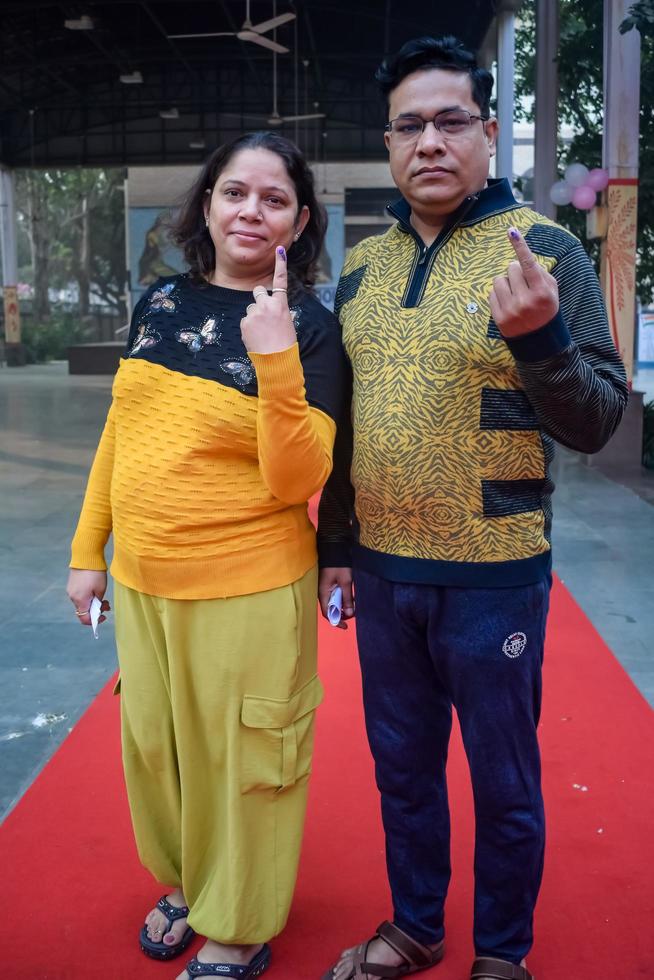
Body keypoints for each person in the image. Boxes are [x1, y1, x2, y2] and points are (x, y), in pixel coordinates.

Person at [317, 36, 627, 980]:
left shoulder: (548, 250)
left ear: (489, 132)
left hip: (494, 576)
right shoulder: (360, 272)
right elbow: (340, 424)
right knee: (402, 772)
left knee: (504, 783)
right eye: (410, 125)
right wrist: (336, 546)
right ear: (388, 142)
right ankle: (416, 927)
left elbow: (599, 418)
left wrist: (540, 345)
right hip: (382, 570)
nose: (431, 142)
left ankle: (502, 953)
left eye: (453, 121)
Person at [67, 130, 346, 980]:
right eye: (234, 192)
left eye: (272, 199)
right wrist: (88, 551)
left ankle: (242, 924)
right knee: (160, 750)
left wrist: (276, 364)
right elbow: (122, 431)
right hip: (145, 581)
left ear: (298, 222)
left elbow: (299, 475)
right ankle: (192, 882)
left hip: (251, 587)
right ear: (208, 205)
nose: (250, 210)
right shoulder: (159, 302)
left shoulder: (310, 327)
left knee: (248, 762)